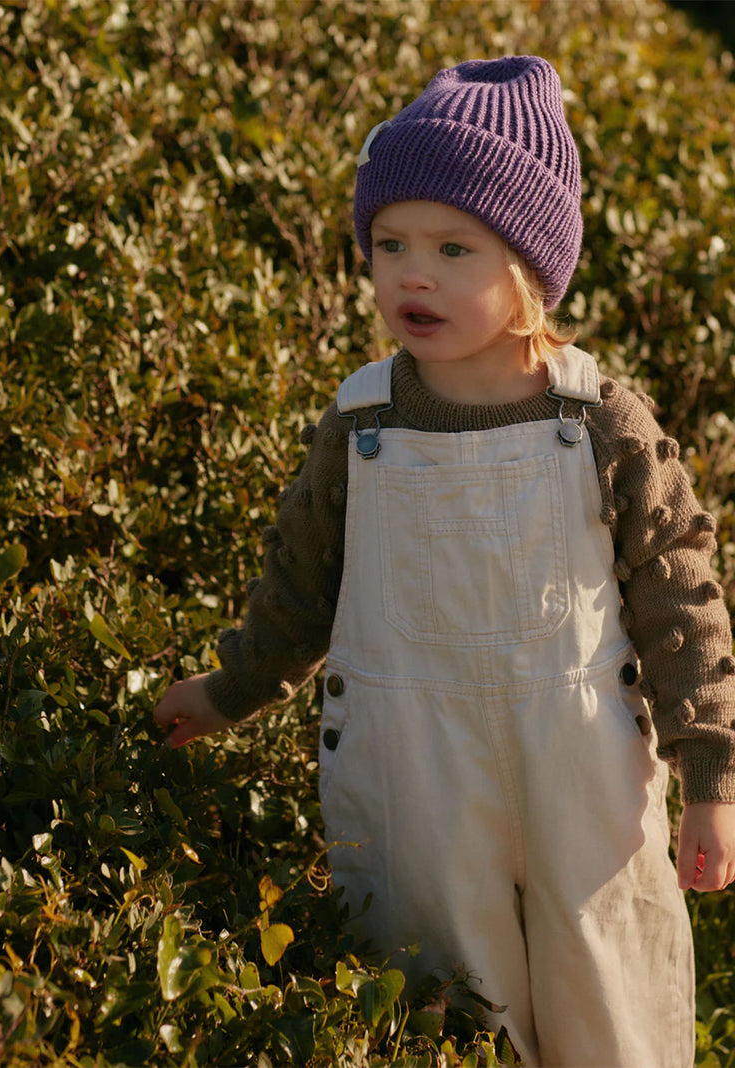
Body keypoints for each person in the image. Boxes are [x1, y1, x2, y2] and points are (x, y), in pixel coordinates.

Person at [154, 56, 735, 1067]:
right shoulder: (360, 422)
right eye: (388, 244)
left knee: (606, 1001)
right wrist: (231, 689)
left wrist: (710, 777)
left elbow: (678, 596)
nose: (409, 274)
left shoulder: (595, 420)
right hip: (411, 773)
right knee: (440, 1010)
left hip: (583, 779)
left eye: (452, 247)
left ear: (527, 269)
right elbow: (302, 590)